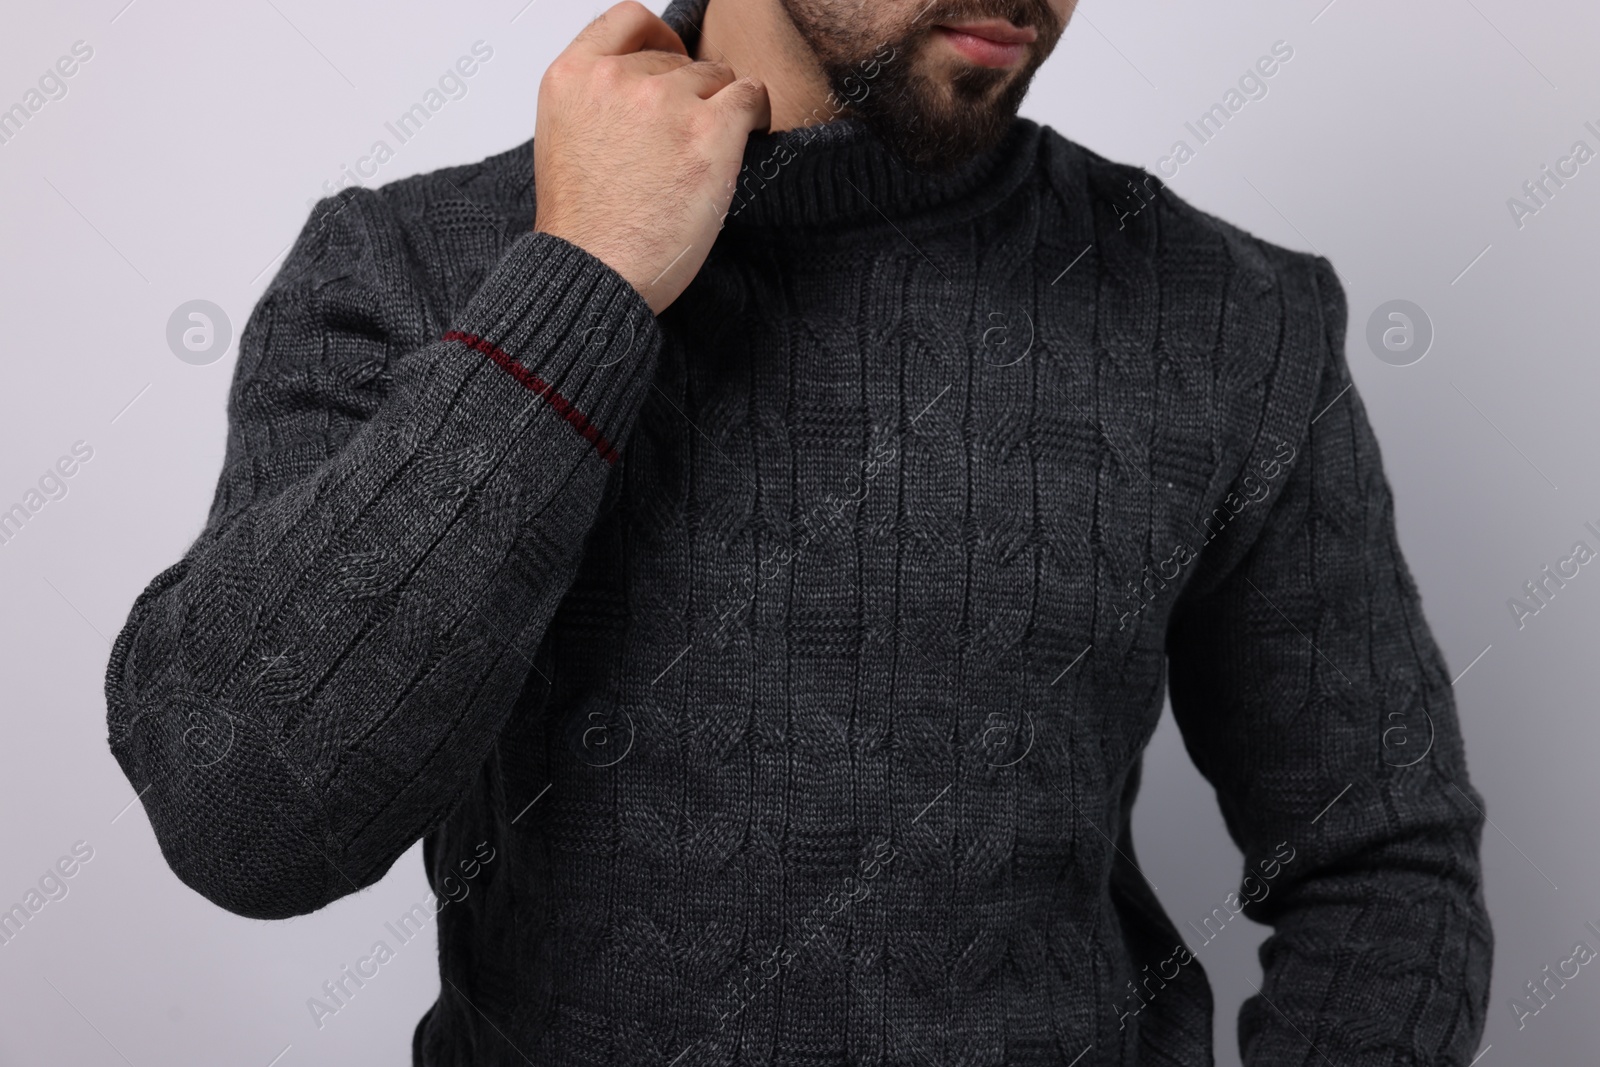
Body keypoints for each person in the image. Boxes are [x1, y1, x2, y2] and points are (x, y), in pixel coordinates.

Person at [103, 0, 1492, 1062]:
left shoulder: (1231, 318)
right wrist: (584, 278)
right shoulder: (421, 265)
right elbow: (243, 820)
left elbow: (1380, 862)